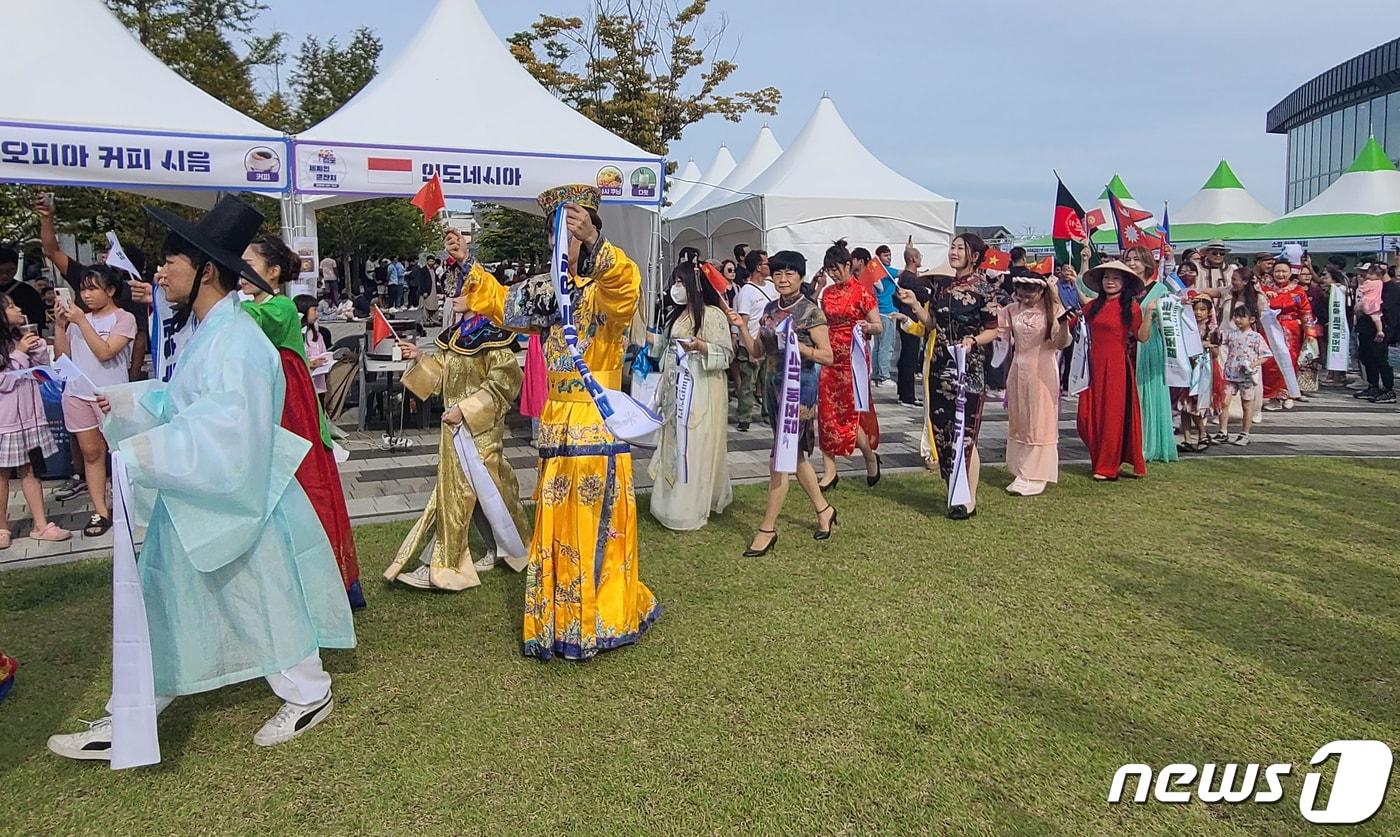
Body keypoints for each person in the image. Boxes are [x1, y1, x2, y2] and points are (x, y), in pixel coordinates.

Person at [46, 196, 355, 762]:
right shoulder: (214, 332)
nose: (159, 273)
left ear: (205, 270)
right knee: (183, 597)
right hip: (214, 492)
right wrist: (129, 408)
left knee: (254, 596)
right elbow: (183, 404)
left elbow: (230, 429)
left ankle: (306, 691)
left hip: (238, 497)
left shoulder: (236, 340)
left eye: (170, 262)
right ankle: (133, 710)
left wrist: (145, 450)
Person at [452, 184, 659, 661]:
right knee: (557, 521)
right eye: (558, 232)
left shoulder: (606, 291)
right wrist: (467, 262)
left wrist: (592, 244)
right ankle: (560, 614)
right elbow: (502, 304)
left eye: (573, 229)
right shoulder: (546, 295)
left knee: (595, 522)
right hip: (556, 423)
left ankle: (599, 615)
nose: (562, 241)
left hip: (595, 419)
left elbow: (625, 285)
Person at [241, 235, 364, 609]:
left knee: (308, 496)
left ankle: (326, 584)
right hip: (274, 416)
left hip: (294, 422)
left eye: (249, 264)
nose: (241, 271)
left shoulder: (276, 308)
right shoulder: (266, 305)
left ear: (273, 272)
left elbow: (245, 317)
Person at [386, 308, 528, 588]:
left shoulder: (493, 334)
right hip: (454, 429)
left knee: (476, 493)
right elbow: (440, 377)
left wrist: (465, 410)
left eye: (462, 286)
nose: (455, 293)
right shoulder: (455, 334)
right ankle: (500, 550)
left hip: (479, 430)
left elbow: (504, 382)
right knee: (470, 494)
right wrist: (419, 357)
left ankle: (445, 565)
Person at [728, 250, 835, 556]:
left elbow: (827, 355)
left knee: (781, 458)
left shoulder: (811, 312)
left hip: (800, 390)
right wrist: (740, 326)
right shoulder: (770, 310)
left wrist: (800, 348)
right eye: (778, 274)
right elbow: (757, 353)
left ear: (801, 277)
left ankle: (767, 529)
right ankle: (824, 509)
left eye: (789, 274)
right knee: (795, 456)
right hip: (774, 387)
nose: (783, 279)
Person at [896, 233, 999, 519]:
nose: (953, 252)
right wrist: (915, 304)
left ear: (973, 255)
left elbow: (993, 329)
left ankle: (968, 499)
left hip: (969, 367)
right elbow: (931, 324)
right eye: (952, 247)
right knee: (943, 430)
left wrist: (973, 341)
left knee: (965, 433)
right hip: (941, 365)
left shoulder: (984, 288)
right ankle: (953, 489)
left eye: (960, 248)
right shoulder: (942, 287)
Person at [647, 261, 733, 531]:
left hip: (700, 388)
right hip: (677, 387)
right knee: (675, 441)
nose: (676, 288)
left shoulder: (712, 316)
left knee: (694, 444)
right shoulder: (678, 315)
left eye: (681, 283)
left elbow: (726, 354)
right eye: (675, 282)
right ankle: (668, 503)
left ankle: (690, 506)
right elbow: (667, 346)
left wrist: (701, 346)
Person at [54, 264, 137, 537]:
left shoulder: (123, 319)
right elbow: (61, 358)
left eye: (93, 288)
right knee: (91, 454)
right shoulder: (78, 321)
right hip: (77, 393)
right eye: (83, 289)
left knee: (119, 452)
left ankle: (129, 504)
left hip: (109, 396)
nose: (86, 295)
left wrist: (80, 321)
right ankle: (100, 510)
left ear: (110, 290)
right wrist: (60, 325)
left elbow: (106, 352)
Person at [35, 195, 151, 384]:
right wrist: (47, 218)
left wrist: (133, 375)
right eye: (83, 289)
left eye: (110, 254)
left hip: (110, 384)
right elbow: (52, 251)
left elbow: (140, 337)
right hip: (77, 389)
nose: (86, 294)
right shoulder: (85, 276)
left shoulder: (133, 293)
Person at [0, 292, 69, 548]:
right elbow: (4, 382)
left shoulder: (22, 340)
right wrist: (19, 354)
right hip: (5, 424)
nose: (18, 309)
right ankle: (2, 527)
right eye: (11, 307)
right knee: (2, 475)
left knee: (31, 470)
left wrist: (39, 351)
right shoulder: (10, 348)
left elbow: (41, 375)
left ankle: (41, 524)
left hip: (30, 419)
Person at [1076, 260, 1152, 480]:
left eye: (1116, 278)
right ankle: (1099, 458)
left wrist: (1150, 314)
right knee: (1086, 417)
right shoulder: (1093, 306)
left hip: (1117, 367)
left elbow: (1141, 337)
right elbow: (1074, 324)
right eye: (1107, 277)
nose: (1110, 281)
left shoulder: (1131, 307)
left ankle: (1107, 467)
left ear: (1124, 282)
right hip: (1092, 367)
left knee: (1112, 417)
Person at [999, 270, 1072, 496]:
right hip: (1018, 369)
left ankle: (1036, 473)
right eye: (1021, 291)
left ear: (1042, 290)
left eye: (1031, 291)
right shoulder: (1012, 310)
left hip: (1042, 369)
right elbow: (998, 332)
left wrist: (1064, 323)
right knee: (1020, 417)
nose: (1026, 296)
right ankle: (1021, 469)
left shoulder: (1053, 311)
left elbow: (1061, 343)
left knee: (1039, 419)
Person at [815, 240, 882, 490]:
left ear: (847, 265)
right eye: (829, 270)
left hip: (853, 361)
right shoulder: (828, 293)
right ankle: (829, 471)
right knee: (826, 413)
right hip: (830, 356)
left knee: (850, 415)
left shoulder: (862, 292)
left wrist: (866, 327)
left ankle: (869, 456)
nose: (833, 274)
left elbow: (878, 325)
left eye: (836, 269)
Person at [1121, 246, 1177, 463]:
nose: (1132, 263)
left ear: (1146, 263)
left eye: (1136, 259)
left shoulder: (1159, 290)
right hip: (1126, 347)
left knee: (1148, 394)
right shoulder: (1124, 289)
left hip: (1149, 346)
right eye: (1128, 259)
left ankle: (1148, 442)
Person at [1260, 257, 1318, 411]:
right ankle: (1273, 395)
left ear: (1290, 272)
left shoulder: (1298, 291)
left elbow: (1306, 312)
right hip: (1270, 329)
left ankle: (1288, 393)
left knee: (1290, 361)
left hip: (1291, 331)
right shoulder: (1265, 289)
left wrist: (1310, 333)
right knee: (1271, 363)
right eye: (1277, 271)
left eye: (1284, 271)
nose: (1280, 274)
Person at [731, 249, 777, 432]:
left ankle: (768, 413)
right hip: (750, 343)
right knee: (748, 383)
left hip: (770, 343)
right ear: (758, 267)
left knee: (768, 383)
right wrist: (750, 349)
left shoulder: (771, 287)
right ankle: (745, 417)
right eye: (766, 264)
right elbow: (744, 322)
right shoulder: (746, 292)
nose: (769, 267)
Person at [1217, 306, 1270, 445]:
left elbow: (1266, 355)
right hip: (1230, 374)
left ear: (1251, 319)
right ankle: (1223, 431)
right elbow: (1217, 339)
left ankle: (1245, 433)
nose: (1238, 320)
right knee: (1224, 402)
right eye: (1236, 316)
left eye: (1242, 317)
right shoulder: (1230, 334)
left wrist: (1253, 364)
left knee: (1247, 404)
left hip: (1246, 376)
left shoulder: (1256, 337)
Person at [894, 238, 929, 409]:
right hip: (910, 321)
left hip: (909, 319)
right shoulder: (910, 279)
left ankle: (904, 393)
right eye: (919, 256)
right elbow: (924, 296)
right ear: (913, 259)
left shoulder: (907, 277)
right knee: (909, 358)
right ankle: (907, 395)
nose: (921, 258)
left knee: (908, 357)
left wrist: (909, 248)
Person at [1354, 261, 1395, 402]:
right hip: (1366, 328)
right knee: (1366, 356)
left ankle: (1388, 389)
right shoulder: (1373, 285)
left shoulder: (1392, 288)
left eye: (1371, 273)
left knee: (1380, 358)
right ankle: (1373, 385)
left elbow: (1388, 311)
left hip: (1382, 329)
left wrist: (1386, 330)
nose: (1367, 276)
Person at [0, 246, 48, 332]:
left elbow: (39, 321)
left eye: (10, 270)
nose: (5, 275)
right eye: (0, 271)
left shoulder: (28, 293)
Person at [870, 247, 899, 387]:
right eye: (886, 255)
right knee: (886, 346)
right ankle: (883, 376)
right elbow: (905, 272)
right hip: (887, 312)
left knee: (878, 346)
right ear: (879, 257)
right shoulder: (887, 271)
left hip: (878, 312)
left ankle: (876, 375)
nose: (889, 258)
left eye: (890, 255)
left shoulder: (875, 271)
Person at [296, 295, 332, 406]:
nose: (317, 313)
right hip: (303, 385)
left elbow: (324, 353)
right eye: (314, 310)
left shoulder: (317, 335)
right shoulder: (296, 334)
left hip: (319, 385)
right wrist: (309, 363)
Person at [1056, 263, 1083, 392]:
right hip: (1062, 322)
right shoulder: (1057, 287)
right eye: (1065, 270)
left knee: (1072, 355)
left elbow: (1083, 302)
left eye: (1070, 270)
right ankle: (1058, 382)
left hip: (1077, 323)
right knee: (1061, 354)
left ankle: (1068, 383)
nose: (1068, 273)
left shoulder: (1078, 287)